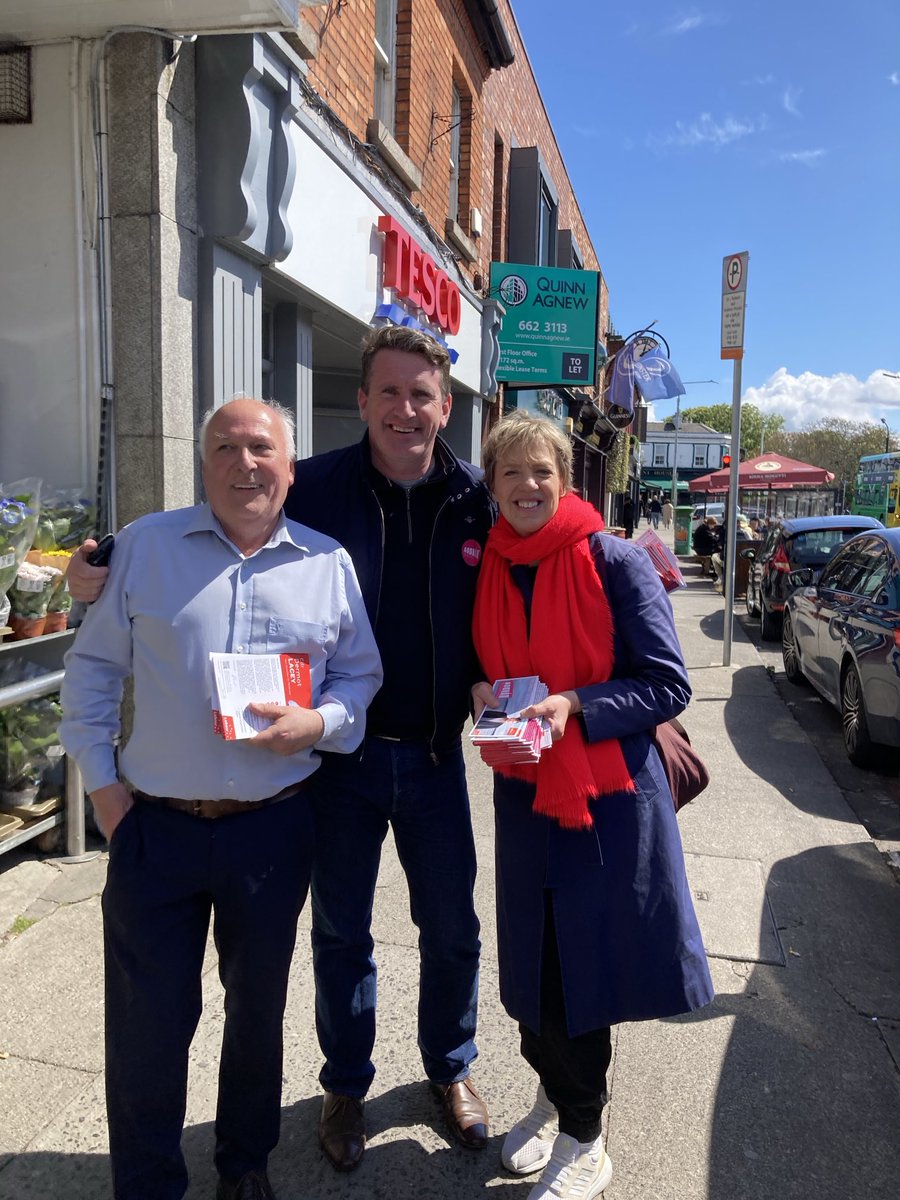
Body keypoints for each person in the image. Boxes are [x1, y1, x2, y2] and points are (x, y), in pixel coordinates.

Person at [67, 325, 496, 1172]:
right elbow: (185, 542)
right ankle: (344, 1086)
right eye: (388, 392)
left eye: (422, 395)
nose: (404, 410)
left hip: (428, 758)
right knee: (338, 939)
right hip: (329, 773)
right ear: (364, 400)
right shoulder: (317, 490)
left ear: (446, 407)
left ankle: (446, 1072)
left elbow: (553, 545)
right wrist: (92, 571)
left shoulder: (480, 497)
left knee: (448, 930)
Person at [59, 398, 383, 1200]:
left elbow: (359, 675)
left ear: (290, 463)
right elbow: (93, 671)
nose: (246, 464)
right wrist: (102, 788)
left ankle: (245, 1165)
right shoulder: (142, 549)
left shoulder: (326, 563)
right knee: (147, 1027)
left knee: (256, 1017)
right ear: (204, 462)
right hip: (154, 831)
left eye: (262, 449)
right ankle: (147, 1183)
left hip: (272, 832)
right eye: (226, 448)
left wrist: (320, 721)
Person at [471, 412, 713, 1200]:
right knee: (533, 969)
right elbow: (490, 664)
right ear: (493, 485)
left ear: (564, 480)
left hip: (603, 800)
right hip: (525, 790)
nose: (528, 486)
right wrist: (480, 689)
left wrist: (577, 703)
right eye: (512, 473)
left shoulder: (613, 559)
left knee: (583, 972)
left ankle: (587, 1132)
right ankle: (552, 1092)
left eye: (542, 471)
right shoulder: (494, 563)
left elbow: (668, 683)